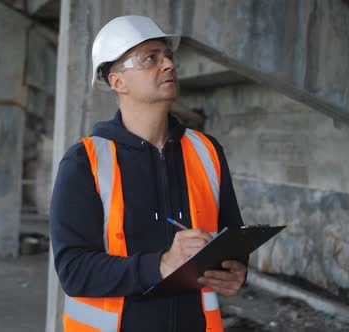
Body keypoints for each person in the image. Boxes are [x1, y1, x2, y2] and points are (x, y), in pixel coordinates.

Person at [50, 15, 247, 332]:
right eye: (150, 58)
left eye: (167, 55)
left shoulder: (207, 151)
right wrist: (161, 264)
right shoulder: (84, 162)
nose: (168, 64)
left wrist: (236, 270)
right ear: (118, 81)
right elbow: (74, 271)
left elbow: (230, 238)